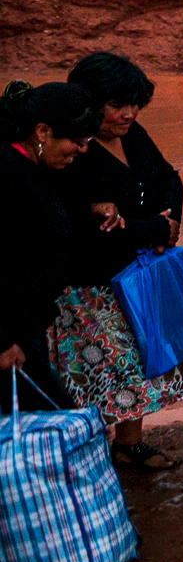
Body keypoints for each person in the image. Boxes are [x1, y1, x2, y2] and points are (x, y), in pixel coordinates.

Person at [48, 53, 183, 469]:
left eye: (134, 104)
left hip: (137, 272)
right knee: (107, 368)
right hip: (91, 287)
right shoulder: (73, 151)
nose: (128, 113)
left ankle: (129, 445)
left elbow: (170, 177)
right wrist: (155, 230)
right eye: (118, 105)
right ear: (90, 102)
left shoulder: (133, 134)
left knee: (140, 360)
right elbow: (90, 229)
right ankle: (96, 449)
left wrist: (171, 216)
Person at [0, 80, 99, 414]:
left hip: (27, 328)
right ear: (42, 132)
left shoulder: (34, 169)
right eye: (76, 141)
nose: (82, 150)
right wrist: (3, 340)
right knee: (56, 426)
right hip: (12, 337)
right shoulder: (8, 175)